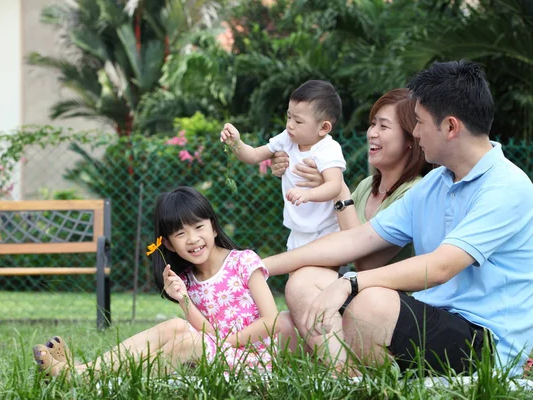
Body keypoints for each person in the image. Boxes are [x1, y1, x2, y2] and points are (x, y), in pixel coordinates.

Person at [264, 60, 533, 376]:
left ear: (450, 127)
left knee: (370, 304)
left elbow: (441, 266)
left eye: (419, 122)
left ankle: (371, 379)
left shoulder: (507, 186)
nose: (415, 132)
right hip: (429, 315)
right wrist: (261, 265)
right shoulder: (436, 182)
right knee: (304, 280)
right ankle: (349, 380)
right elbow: (359, 240)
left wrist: (352, 283)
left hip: (485, 342)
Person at [33, 186, 281, 378]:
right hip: (216, 354)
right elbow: (206, 332)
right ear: (170, 244)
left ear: (214, 228)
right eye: (181, 234)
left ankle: (82, 377)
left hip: (252, 362)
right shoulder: (186, 280)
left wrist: (225, 343)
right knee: (175, 326)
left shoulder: (244, 262)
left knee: (189, 341)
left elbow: (272, 321)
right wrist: (183, 298)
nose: (193, 239)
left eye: (198, 227)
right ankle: (84, 370)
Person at [271, 88, 432, 270]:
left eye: (383, 126)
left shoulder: (415, 192)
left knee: (304, 280)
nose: (371, 133)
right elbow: (331, 237)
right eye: (372, 124)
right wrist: (290, 167)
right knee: (305, 277)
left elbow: (363, 262)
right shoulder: (368, 185)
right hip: (354, 288)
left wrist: (337, 188)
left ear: (411, 138)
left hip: (389, 296)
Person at [220, 80, 346, 251]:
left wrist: (307, 194)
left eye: (298, 121)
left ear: (324, 127)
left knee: (322, 276)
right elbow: (254, 155)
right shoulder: (287, 139)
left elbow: (334, 185)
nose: (290, 125)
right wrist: (236, 142)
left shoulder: (328, 149)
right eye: (288, 117)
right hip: (296, 232)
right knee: (295, 276)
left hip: (326, 231)